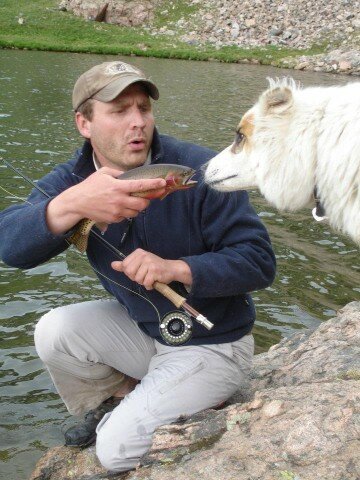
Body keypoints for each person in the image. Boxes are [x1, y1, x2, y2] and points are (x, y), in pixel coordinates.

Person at [0, 61, 276, 473]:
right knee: (54, 331)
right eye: (119, 110)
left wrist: (177, 268)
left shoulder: (200, 170)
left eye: (143, 108)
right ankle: (123, 398)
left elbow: (259, 262)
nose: (138, 122)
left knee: (113, 452)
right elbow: (10, 245)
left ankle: (193, 406)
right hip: (146, 332)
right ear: (84, 123)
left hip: (214, 341)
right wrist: (71, 204)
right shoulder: (76, 180)